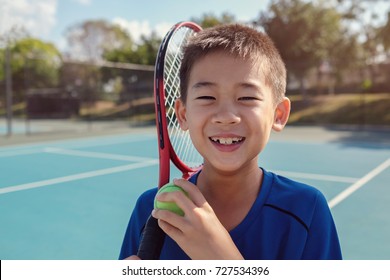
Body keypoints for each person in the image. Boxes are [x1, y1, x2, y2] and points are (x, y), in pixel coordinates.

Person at [119, 23, 342, 260]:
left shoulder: (307, 209)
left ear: (278, 114)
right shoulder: (150, 210)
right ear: (183, 115)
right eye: (207, 97)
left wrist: (223, 260)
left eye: (246, 97)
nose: (226, 117)